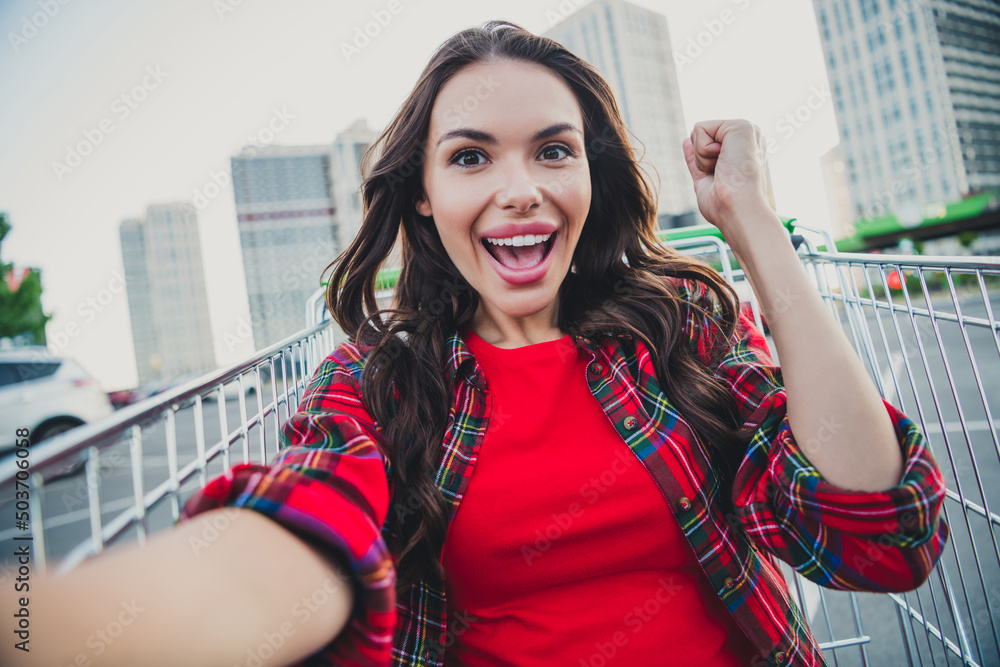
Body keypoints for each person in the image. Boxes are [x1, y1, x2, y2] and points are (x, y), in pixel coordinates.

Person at [3, 20, 949, 667]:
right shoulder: (376, 384)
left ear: (590, 172)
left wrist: (753, 224)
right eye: (469, 157)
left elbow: (880, 537)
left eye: (552, 149)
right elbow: (302, 547)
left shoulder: (681, 324)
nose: (519, 188)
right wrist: (43, 623)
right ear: (421, 194)